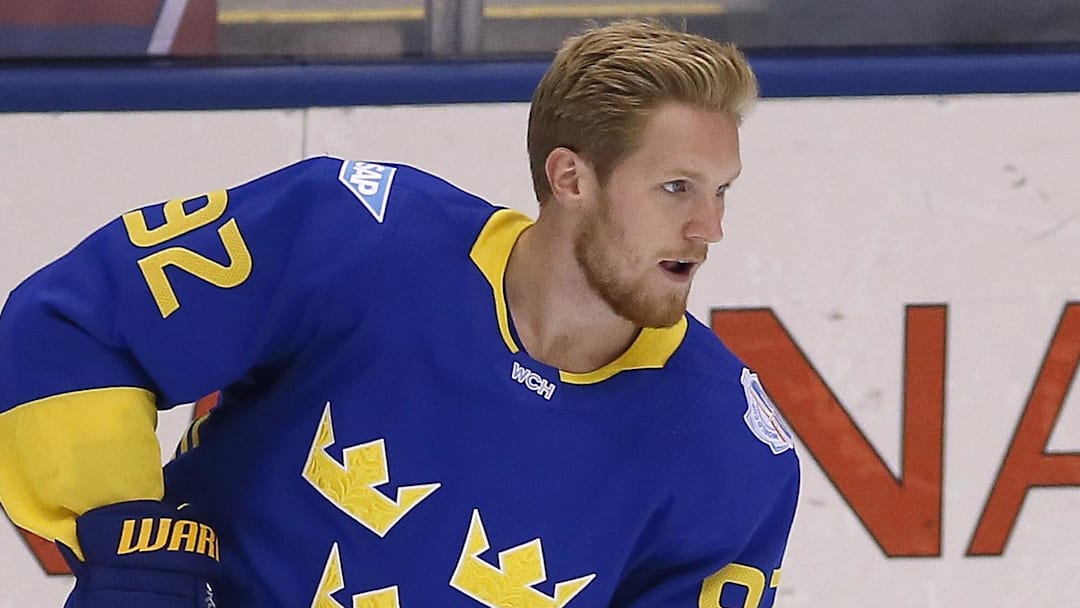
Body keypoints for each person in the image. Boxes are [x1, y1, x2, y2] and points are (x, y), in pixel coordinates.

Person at [0, 19, 799, 608]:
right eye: (676, 188)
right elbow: (71, 328)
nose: (710, 229)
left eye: (721, 190)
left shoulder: (730, 459)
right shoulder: (350, 236)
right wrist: (136, 551)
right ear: (571, 177)